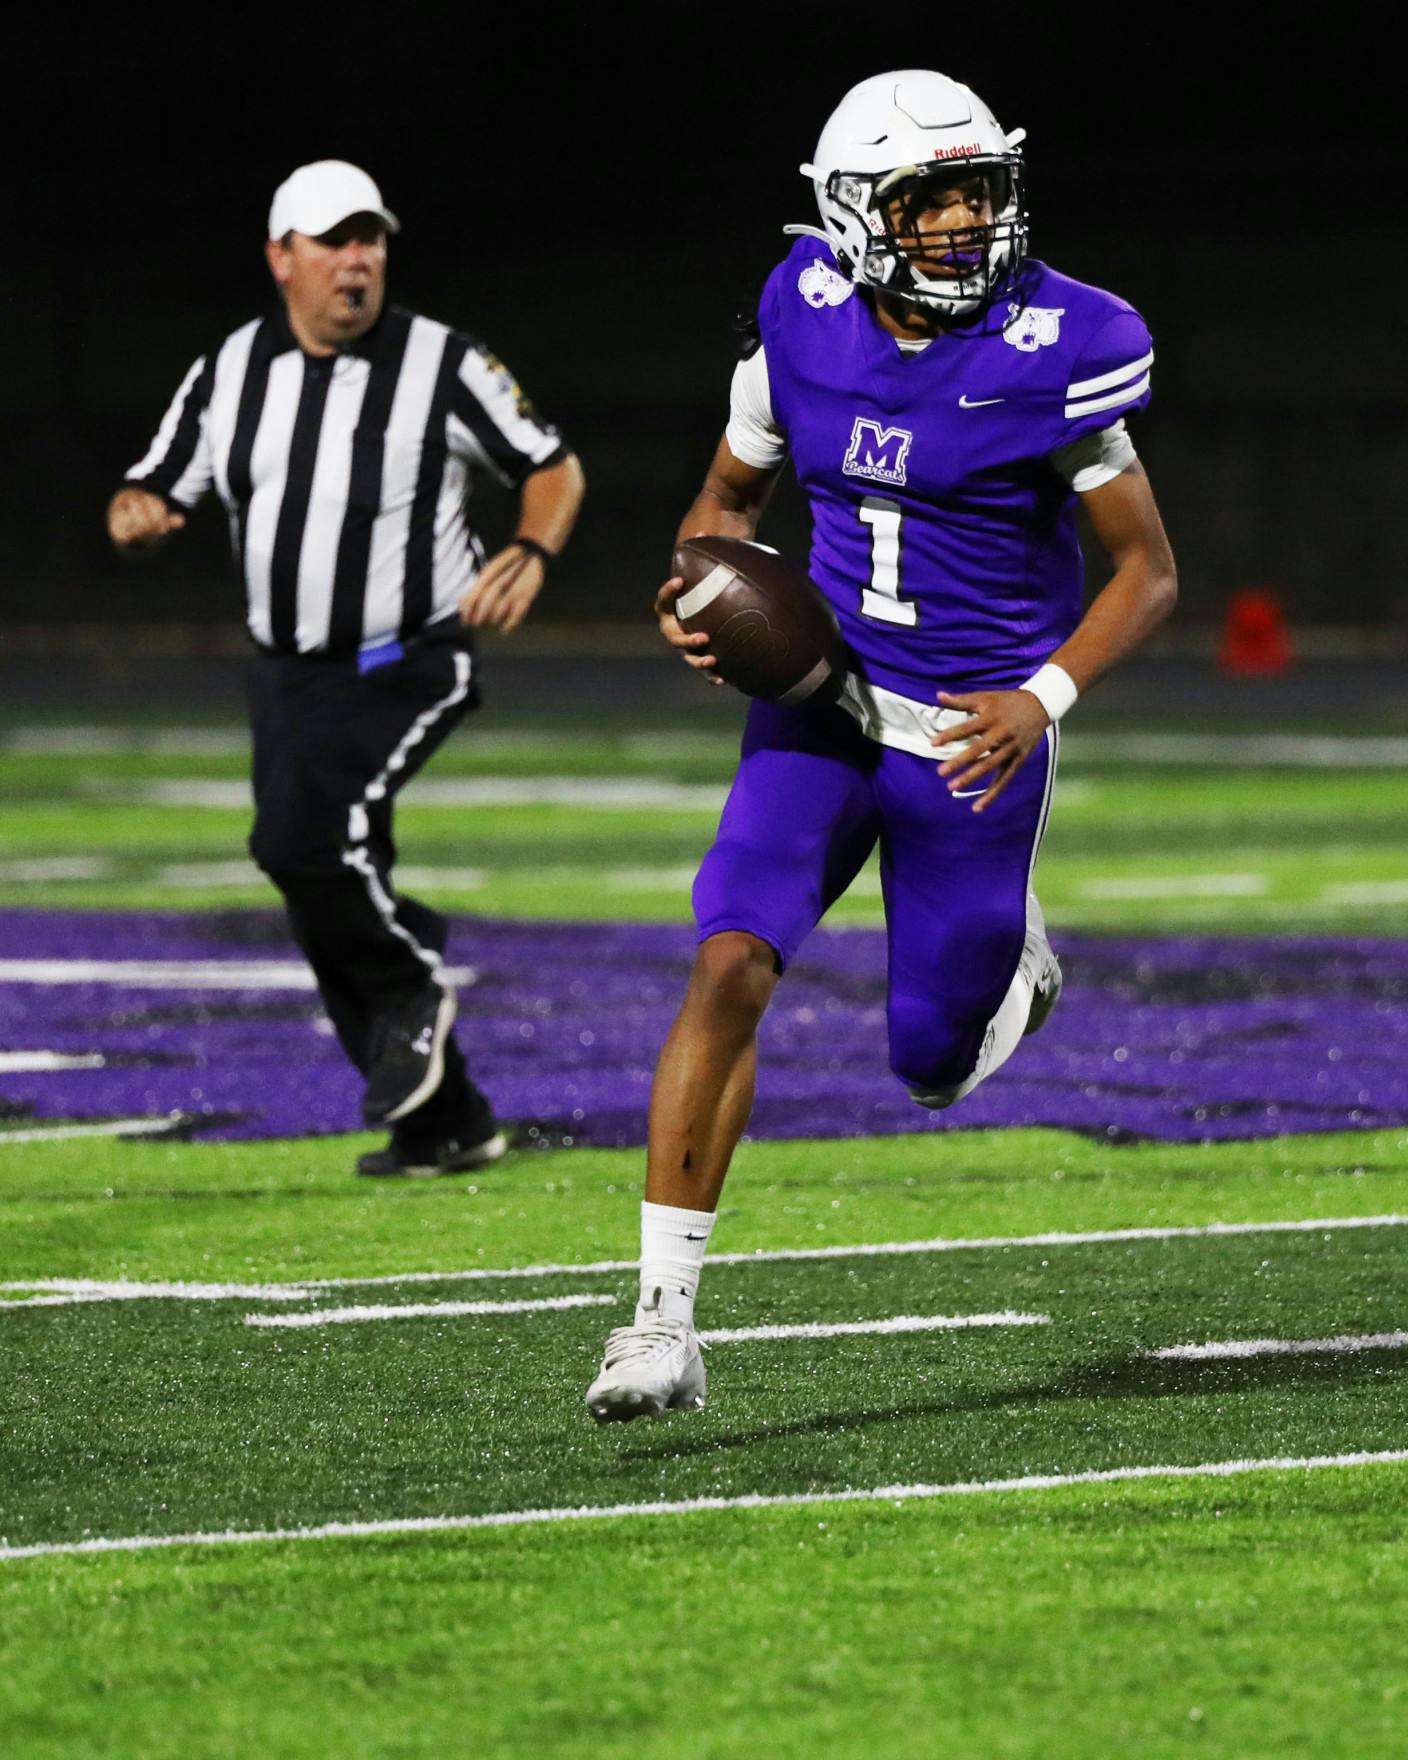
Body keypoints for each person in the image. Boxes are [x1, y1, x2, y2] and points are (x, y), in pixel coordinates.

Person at [586, 71, 1177, 1420]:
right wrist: (692, 583)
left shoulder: (1057, 347)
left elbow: (1145, 573)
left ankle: (1015, 967)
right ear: (858, 215)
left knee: (924, 1060)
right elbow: (728, 497)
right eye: (931, 199)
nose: (967, 222)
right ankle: (659, 1322)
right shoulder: (796, 317)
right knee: (731, 954)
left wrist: (1043, 700)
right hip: (816, 703)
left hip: (971, 737)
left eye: (980, 192)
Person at [107, 159, 585, 1177]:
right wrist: (138, 518)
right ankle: (446, 1118)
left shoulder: (441, 361)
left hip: (407, 657)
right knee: (312, 878)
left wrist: (532, 548)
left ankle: (413, 976)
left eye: (371, 237)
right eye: (334, 240)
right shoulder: (231, 367)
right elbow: (152, 484)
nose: (358, 259)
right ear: (282, 257)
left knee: (306, 841)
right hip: (283, 672)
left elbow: (551, 461)